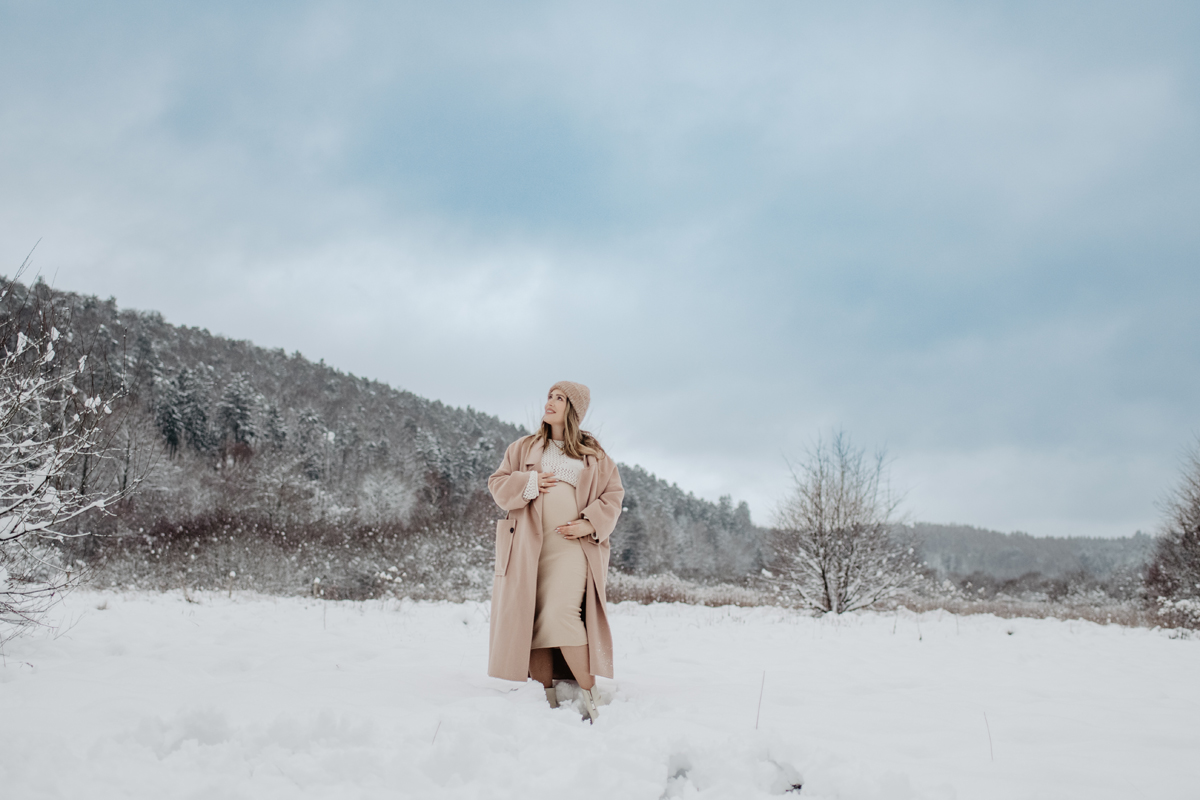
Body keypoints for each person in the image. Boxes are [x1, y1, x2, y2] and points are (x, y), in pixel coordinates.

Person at [486, 381, 624, 722]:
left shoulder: (594, 455)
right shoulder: (523, 448)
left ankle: (591, 696)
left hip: (571, 547)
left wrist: (590, 523)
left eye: (559, 398)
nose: (550, 402)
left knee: (562, 613)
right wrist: (529, 484)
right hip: (528, 547)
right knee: (531, 619)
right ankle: (545, 698)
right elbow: (498, 485)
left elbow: (613, 497)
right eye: (549, 396)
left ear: (573, 409)